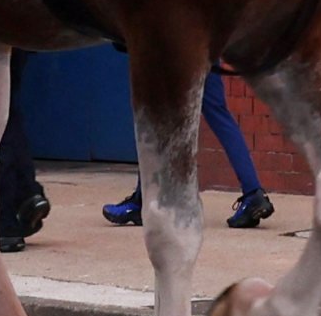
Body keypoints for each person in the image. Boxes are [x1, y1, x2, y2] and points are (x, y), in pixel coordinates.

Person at [103, 69, 273, 230]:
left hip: (177, 53)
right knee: (219, 114)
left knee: (157, 116)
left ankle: (142, 200)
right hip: (208, 52)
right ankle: (253, 193)